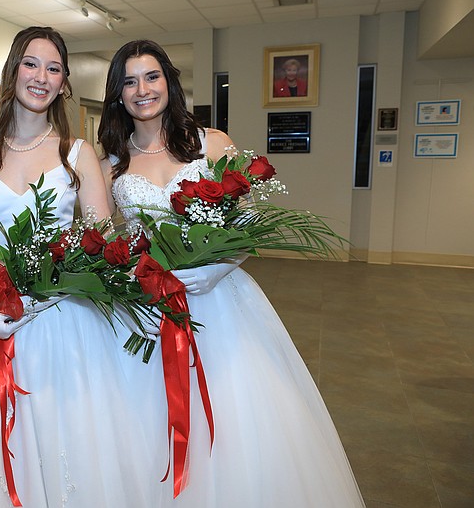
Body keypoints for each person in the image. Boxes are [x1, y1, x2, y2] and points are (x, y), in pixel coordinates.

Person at [98, 40, 365, 507]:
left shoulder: (211, 142)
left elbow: (245, 224)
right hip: (152, 306)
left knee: (234, 412)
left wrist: (219, 268)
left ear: (169, 82)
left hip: (221, 300)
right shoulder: (110, 165)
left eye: (152, 76)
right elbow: (107, 240)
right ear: (118, 94)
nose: (142, 89)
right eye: (129, 81)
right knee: (152, 417)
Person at [0, 27, 153, 507]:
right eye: (30, 64)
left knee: (73, 443)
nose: (40, 77)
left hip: (67, 321)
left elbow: (104, 239)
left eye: (53, 68)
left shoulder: (77, 152)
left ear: (64, 82)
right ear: (12, 71)